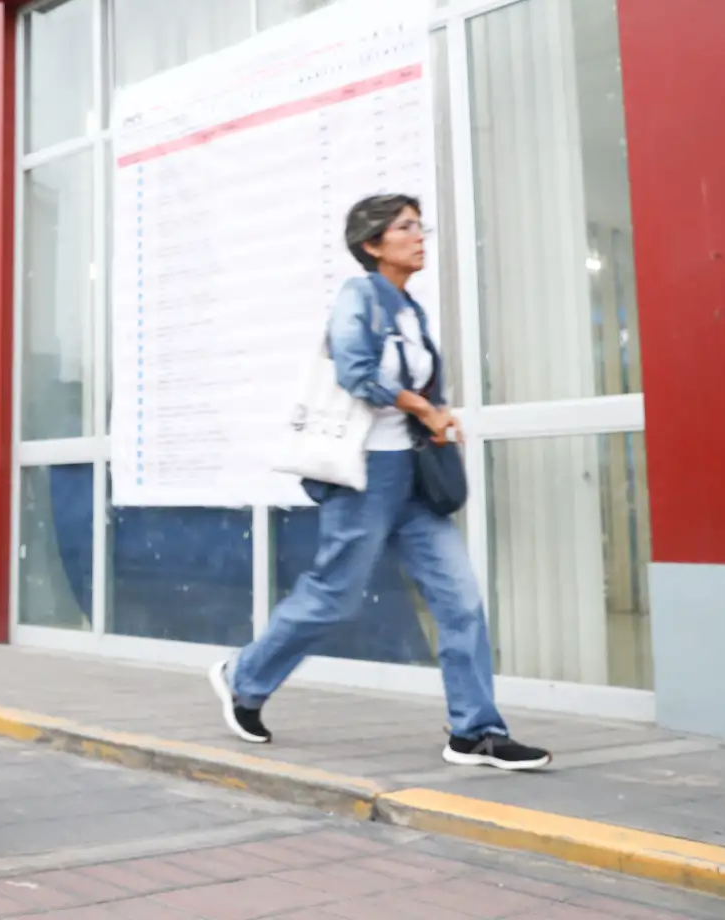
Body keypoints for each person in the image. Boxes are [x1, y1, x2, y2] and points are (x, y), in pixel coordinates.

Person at [210, 194, 551, 772]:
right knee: (334, 596)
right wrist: (424, 408)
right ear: (373, 245)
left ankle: (476, 731)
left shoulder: (408, 309)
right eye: (405, 228)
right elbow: (354, 370)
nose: (420, 237)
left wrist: (435, 418)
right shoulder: (358, 297)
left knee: (460, 599)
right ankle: (244, 677)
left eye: (421, 226)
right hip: (367, 475)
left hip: (414, 478)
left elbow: (416, 385)